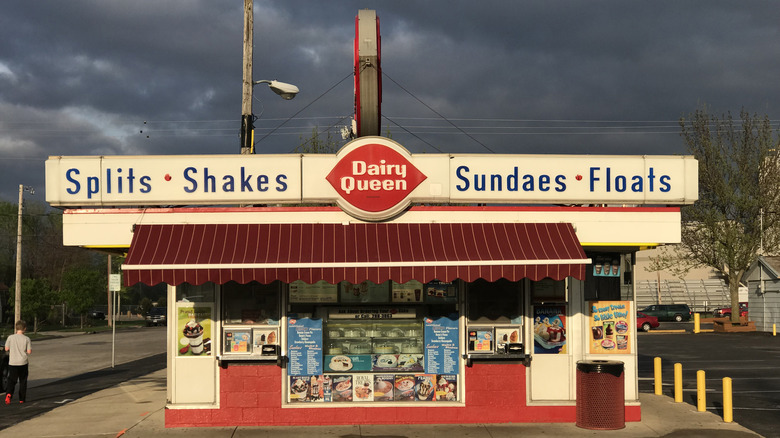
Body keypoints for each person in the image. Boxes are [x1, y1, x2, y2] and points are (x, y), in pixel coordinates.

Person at [5, 320, 32, 404]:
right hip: (23, 362)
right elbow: (29, 351)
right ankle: (21, 399)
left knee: (12, 380)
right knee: (23, 381)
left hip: (13, 362)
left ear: (16, 328)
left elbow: (6, 349)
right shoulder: (27, 339)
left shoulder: (10, 337)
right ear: (24, 329)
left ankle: (9, 394)